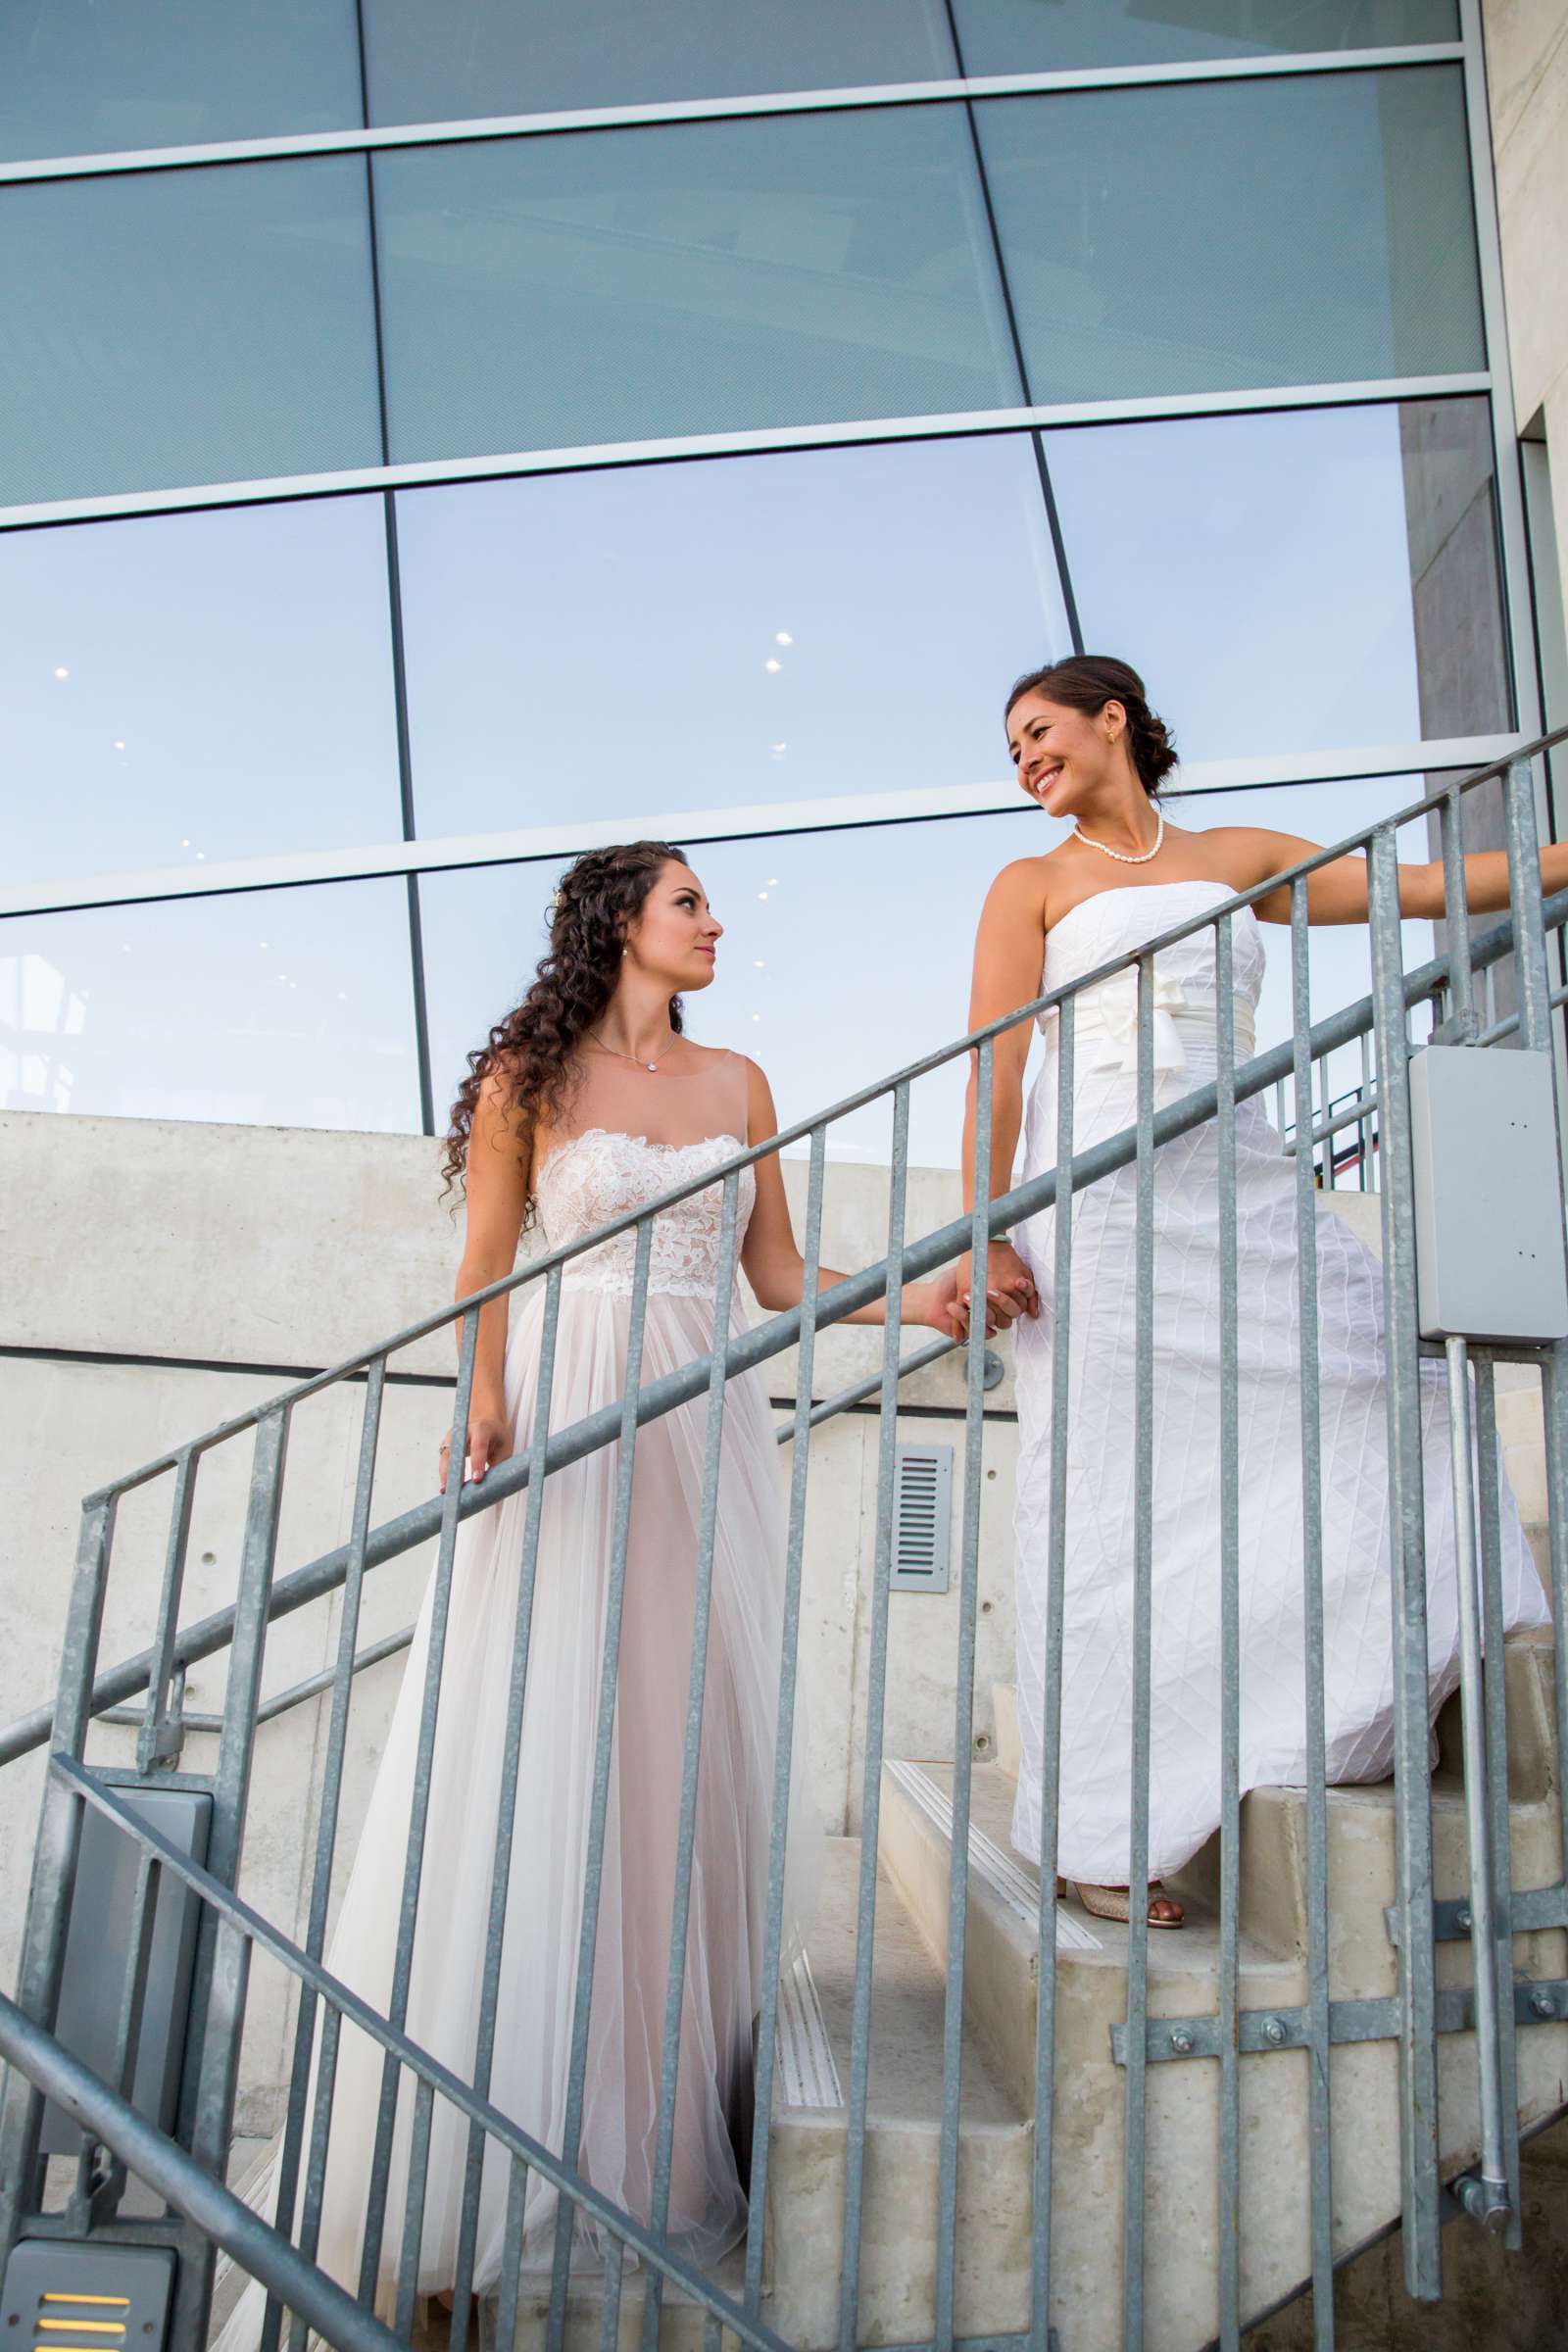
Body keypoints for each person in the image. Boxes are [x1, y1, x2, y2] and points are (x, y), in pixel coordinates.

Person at [218, 842, 971, 2343]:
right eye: (689, 900)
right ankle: (483, 2144)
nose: (714, 922)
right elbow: (486, 1269)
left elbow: (780, 1279)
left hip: (702, 1438)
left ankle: (638, 2132)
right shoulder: (528, 1074)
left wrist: (927, 1294)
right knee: (539, 1738)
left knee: (673, 1759)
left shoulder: (741, 1080)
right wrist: (482, 1404)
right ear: (620, 921)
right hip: (568, 1415)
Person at [959, 656, 1554, 1930]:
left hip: (1241, 1194)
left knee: (1402, 1391)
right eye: (1012, 750)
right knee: (1108, 1507)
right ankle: (1100, 1836)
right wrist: (988, 1232)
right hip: (1099, 1219)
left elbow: (1418, 891)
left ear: (1111, 716)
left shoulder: (1236, 853)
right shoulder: (1034, 885)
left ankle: (1318, 1693)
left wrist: (1561, 865)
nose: (1025, 762)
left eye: (1038, 732)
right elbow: (994, 1076)